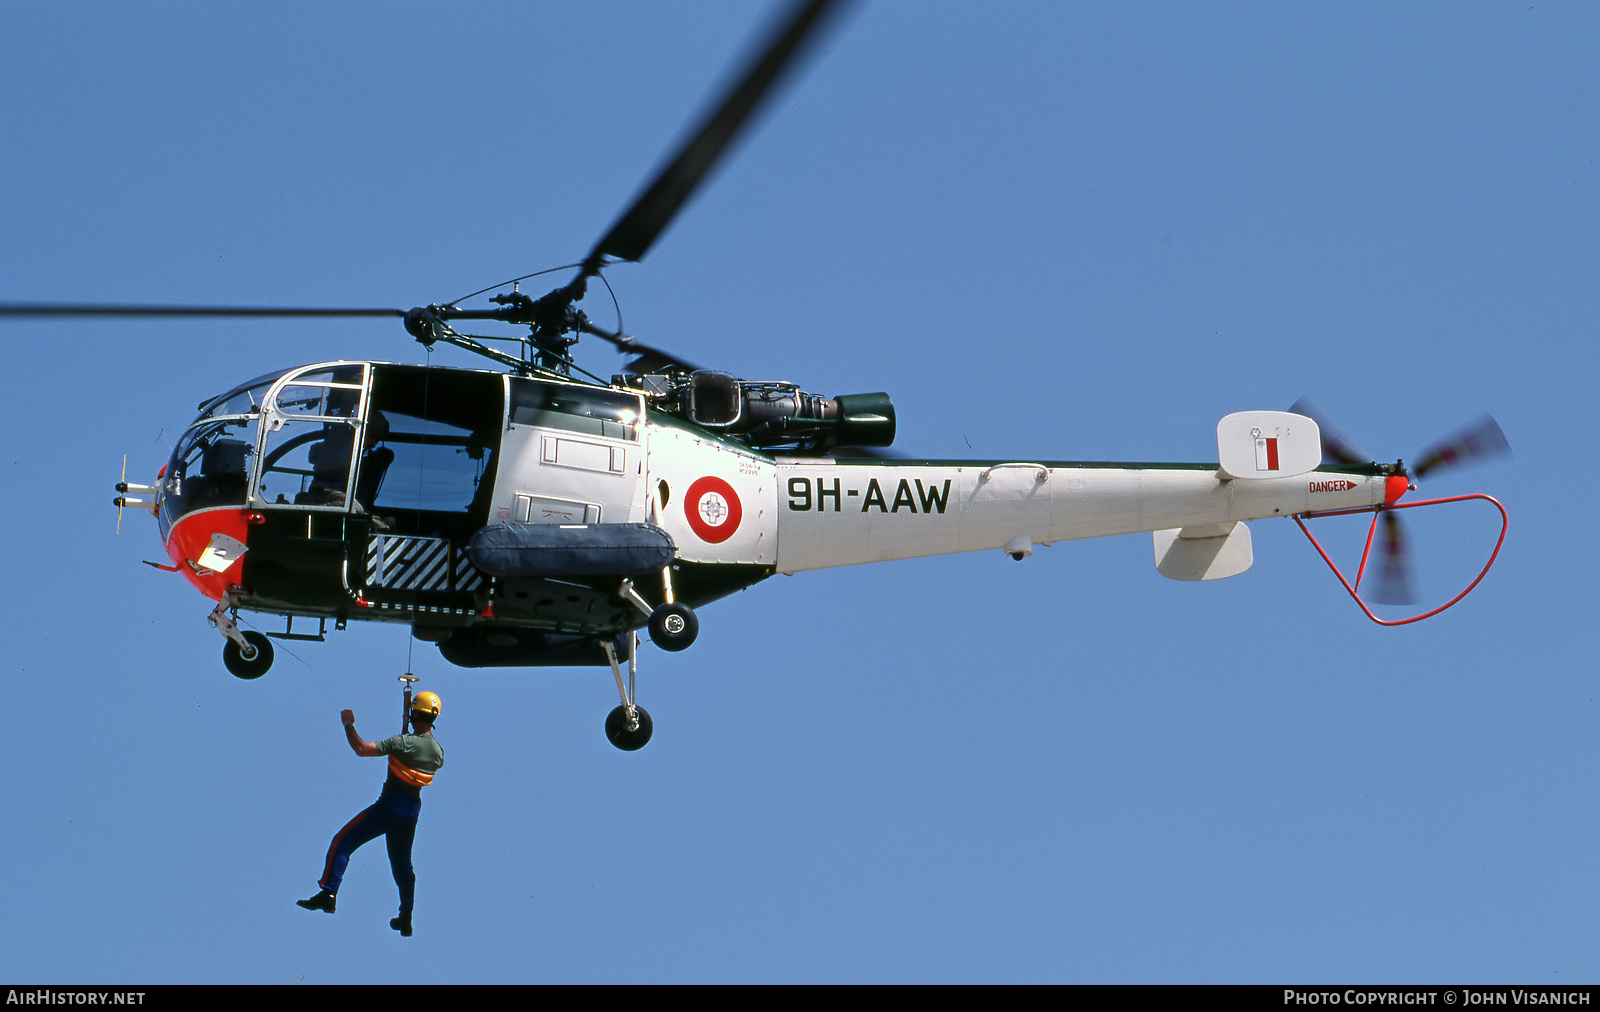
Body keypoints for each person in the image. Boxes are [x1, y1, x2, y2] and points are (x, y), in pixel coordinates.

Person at [296, 692, 444, 937]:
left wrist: (348, 725)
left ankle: (328, 894)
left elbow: (361, 749)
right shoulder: (438, 753)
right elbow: (421, 752)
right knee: (403, 867)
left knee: (342, 842)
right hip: (411, 810)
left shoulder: (402, 743)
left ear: (414, 713)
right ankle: (406, 917)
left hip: (389, 806)